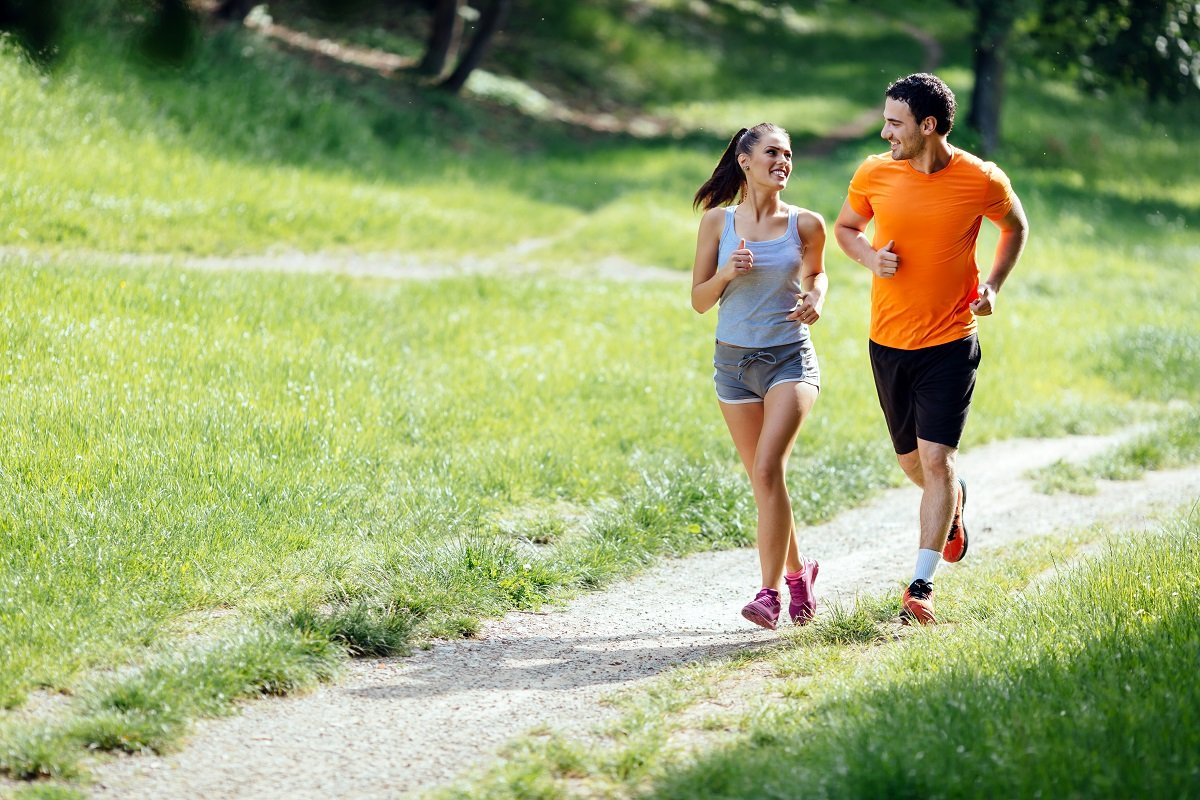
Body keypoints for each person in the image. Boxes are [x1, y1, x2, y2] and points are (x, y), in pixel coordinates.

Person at [833, 73, 1029, 625]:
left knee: (937, 459)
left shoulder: (981, 178)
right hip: (888, 342)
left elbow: (1015, 228)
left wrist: (993, 286)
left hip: (950, 342)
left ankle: (920, 586)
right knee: (913, 464)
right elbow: (846, 228)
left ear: (928, 125)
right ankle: (954, 502)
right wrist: (869, 258)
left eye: (894, 122)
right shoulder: (875, 172)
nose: (884, 130)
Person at [691, 123, 827, 631]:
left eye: (788, 154)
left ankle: (768, 594)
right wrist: (726, 272)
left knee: (768, 469)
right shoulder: (716, 224)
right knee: (764, 481)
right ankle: (799, 574)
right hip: (733, 365)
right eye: (772, 152)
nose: (783, 161)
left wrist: (817, 296)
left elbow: (817, 273)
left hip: (789, 360)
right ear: (745, 162)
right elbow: (699, 301)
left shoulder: (805, 223)